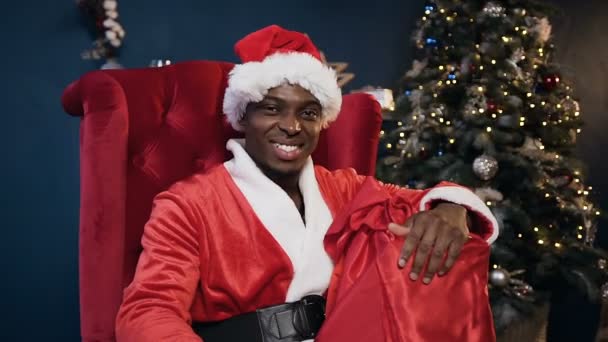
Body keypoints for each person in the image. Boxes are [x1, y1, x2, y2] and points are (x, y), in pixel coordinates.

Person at [115, 25, 498, 342]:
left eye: (308, 113)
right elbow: (147, 311)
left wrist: (451, 208)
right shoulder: (188, 203)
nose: (292, 126)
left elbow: (423, 200)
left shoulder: (345, 188)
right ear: (242, 116)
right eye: (272, 108)